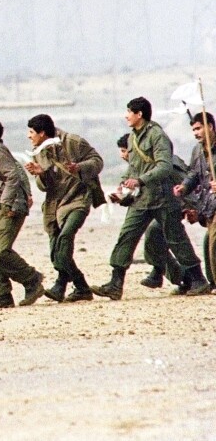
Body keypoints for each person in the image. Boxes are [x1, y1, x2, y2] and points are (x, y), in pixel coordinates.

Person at [92, 97, 210, 300]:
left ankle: (198, 280)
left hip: (163, 199)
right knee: (126, 236)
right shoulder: (132, 138)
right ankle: (115, 283)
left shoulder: (157, 136)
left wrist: (139, 180)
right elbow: (133, 167)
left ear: (140, 115)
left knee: (176, 239)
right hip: (141, 200)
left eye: (129, 112)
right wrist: (123, 186)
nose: (126, 115)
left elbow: (164, 166)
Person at [24, 114, 104, 303]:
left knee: (65, 240)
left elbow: (97, 161)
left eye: (31, 132)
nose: (29, 136)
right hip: (55, 204)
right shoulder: (38, 152)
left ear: (42, 133)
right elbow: (44, 186)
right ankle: (70, 286)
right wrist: (41, 174)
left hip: (78, 199)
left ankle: (73, 285)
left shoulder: (73, 142)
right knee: (55, 249)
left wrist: (79, 167)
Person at [0, 117, 45, 308]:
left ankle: (32, 279)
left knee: (1, 252)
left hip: (9, 208)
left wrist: (7, 204)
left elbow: (13, 175)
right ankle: (2, 295)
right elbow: (1, 179)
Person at [111, 134, 184, 290]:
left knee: (157, 236)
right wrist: (122, 197)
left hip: (170, 206)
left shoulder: (166, 163)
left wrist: (189, 207)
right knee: (152, 241)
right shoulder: (138, 166)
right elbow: (137, 191)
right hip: (150, 208)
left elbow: (185, 183)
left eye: (125, 151)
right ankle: (178, 277)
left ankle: (183, 276)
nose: (123, 156)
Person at [174, 112, 216, 291]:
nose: (196, 133)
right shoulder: (197, 150)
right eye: (193, 129)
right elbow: (193, 174)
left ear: (211, 127)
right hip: (210, 204)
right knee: (210, 242)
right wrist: (184, 187)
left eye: (199, 128)